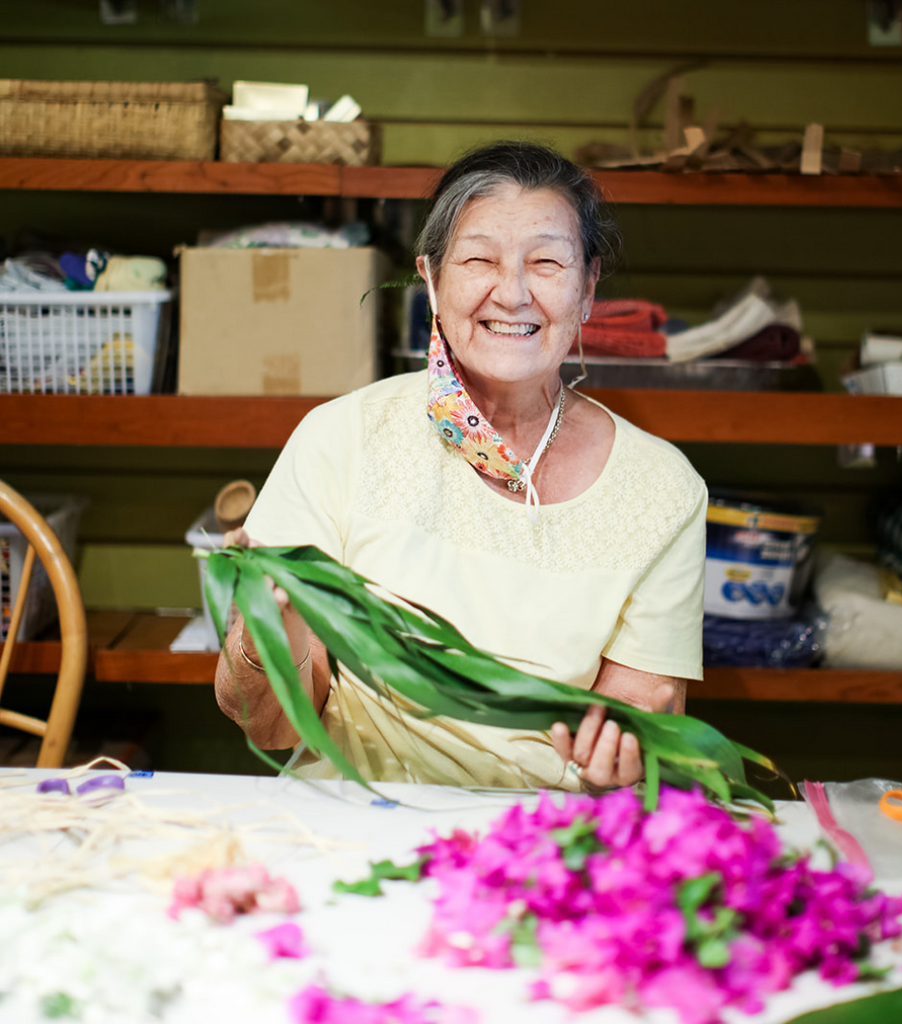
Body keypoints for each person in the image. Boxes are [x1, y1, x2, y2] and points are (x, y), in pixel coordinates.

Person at [214, 141, 707, 793]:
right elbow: (270, 729)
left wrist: (632, 748)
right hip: (350, 816)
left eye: (547, 263)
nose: (513, 293)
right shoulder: (342, 439)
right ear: (432, 279)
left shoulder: (661, 490)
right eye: (479, 259)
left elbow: (640, 712)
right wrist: (265, 639)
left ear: (587, 288)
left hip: (542, 838)